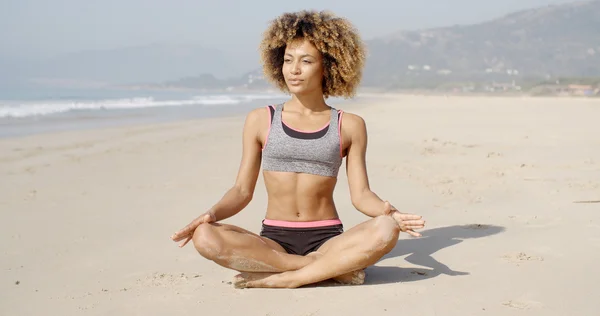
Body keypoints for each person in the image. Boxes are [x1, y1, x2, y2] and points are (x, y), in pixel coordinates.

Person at [170, 10, 425, 289]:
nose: (294, 69)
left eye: (306, 61)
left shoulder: (349, 125)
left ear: (327, 66)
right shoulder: (260, 119)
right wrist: (212, 214)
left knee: (386, 228)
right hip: (273, 241)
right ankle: (325, 269)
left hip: (328, 239)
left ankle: (287, 278)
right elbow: (242, 191)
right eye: (288, 60)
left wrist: (392, 213)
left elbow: (361, 195)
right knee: (205, 236)